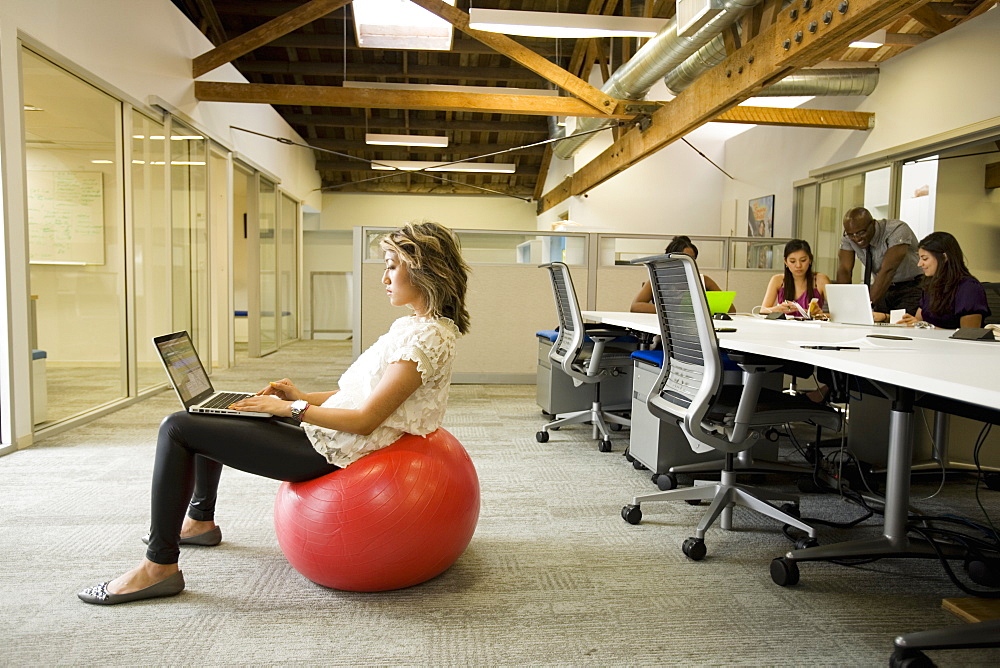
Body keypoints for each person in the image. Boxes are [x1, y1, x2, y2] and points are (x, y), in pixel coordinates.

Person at [78, 221, 471, 605]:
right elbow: (362, 395)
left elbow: (367, 418)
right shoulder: (415, 325)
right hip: (337, 435)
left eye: (392, 265)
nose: (384, 277)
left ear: (423, 270)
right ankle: (199, 522)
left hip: (339, 450)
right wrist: (300, 396)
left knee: (178, 428)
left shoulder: (426, 338)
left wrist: (291, 408)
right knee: (221, 413)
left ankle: (158, 567)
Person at [882, 231, 991, 328]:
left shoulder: (969, 288)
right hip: (927, 345)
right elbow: (918, 322)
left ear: (944, 258)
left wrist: (927, 327)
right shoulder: (930, 284)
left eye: (925, 258)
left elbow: (968, 335)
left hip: (953, 349)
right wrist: (885, 317)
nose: (919, 264)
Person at [837, 207, 923, 315]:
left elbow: (888, 270)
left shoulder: (897, 229)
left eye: (861, 232)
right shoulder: (849, 236)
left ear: (873, 223)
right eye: (851, 234)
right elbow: (844, 269)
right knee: (877, 325)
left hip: (910, 286)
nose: (857, 238)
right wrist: (843, 304)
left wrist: (866, 306)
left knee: (901, 327)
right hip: (883, 287)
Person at [630, 235, 730, 313]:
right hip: (665, 332)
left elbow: (730, 310)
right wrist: (675, 311)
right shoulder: (659, 279)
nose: (689, 263)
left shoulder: (703, 281)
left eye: (692, 259)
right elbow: (635, 306)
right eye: (684, 259)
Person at [760, 239, 831, 317]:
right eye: (792, 261)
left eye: (803, 260)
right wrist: (779, 309)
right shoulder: (777, 280)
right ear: (785, 262)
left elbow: (839, 315)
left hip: (812, 327)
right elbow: (763, 311)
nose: (798, 265)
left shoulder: (820, 280)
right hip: (784, 327)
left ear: (810, 259)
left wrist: (819, 315)